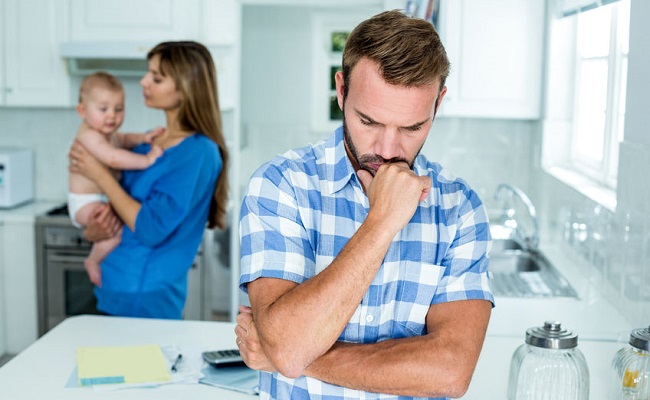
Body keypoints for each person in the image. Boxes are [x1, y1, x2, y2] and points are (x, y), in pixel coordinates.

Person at [236, 10, 494, 400]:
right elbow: (287, 346)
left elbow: (450, 372)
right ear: (341, 90)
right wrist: (382, 223)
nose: (388, 151)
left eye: (411, 128)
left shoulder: (461, 209)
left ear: (438, 103)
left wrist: (290, 353)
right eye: (369, 121)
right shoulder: (280, 185)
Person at [68, 41, 229, 319]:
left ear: (185, 87)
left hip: (144, 294)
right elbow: (116, 210)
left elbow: (150, 228)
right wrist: (94, 230)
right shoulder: (150, 143)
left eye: (156, 77)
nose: (143, 81)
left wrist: (99, 174)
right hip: (112, 284)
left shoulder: (198, 152)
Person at [68, 71, 163, 287]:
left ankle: (95, 259)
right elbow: (112, 158)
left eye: (118, 109)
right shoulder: (89, 136)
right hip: (85, 203)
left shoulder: (106, 133)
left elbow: (124, 139)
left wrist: (143, 137)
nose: (112, 115)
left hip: (98, 197)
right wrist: (146, 159)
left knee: (115, 227)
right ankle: (93, 260)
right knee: (115, 233)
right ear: (82, 111)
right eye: (103, 109)